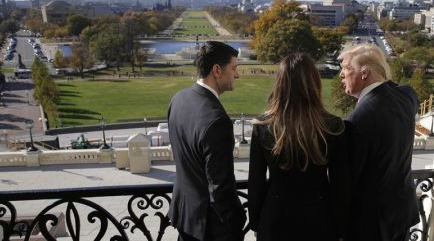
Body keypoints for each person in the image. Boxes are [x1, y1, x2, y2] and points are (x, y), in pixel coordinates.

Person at [248, 53, 350, 241]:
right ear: (314, 82)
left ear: (280, 84)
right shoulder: (333, 126)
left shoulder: (263, 126)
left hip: (275, 219)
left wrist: (256, 222)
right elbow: (340, 186)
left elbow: (256, 183)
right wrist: (341, 228)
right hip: (320, 220)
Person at [338, 44, 419, 241]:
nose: (341, 74)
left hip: (371, 224)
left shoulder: (357, 120)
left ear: (364, 73)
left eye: (347, 68)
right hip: (401, 214)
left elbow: (348, 180)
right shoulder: (407, 96)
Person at [168, 41, 246, 241]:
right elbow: (220, 187)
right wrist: (237, 220)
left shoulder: (178, 99)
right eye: (234, 68)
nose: (237, 75)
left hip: (185, 216)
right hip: (210, 228)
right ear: (217, 70)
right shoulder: (217, 120)